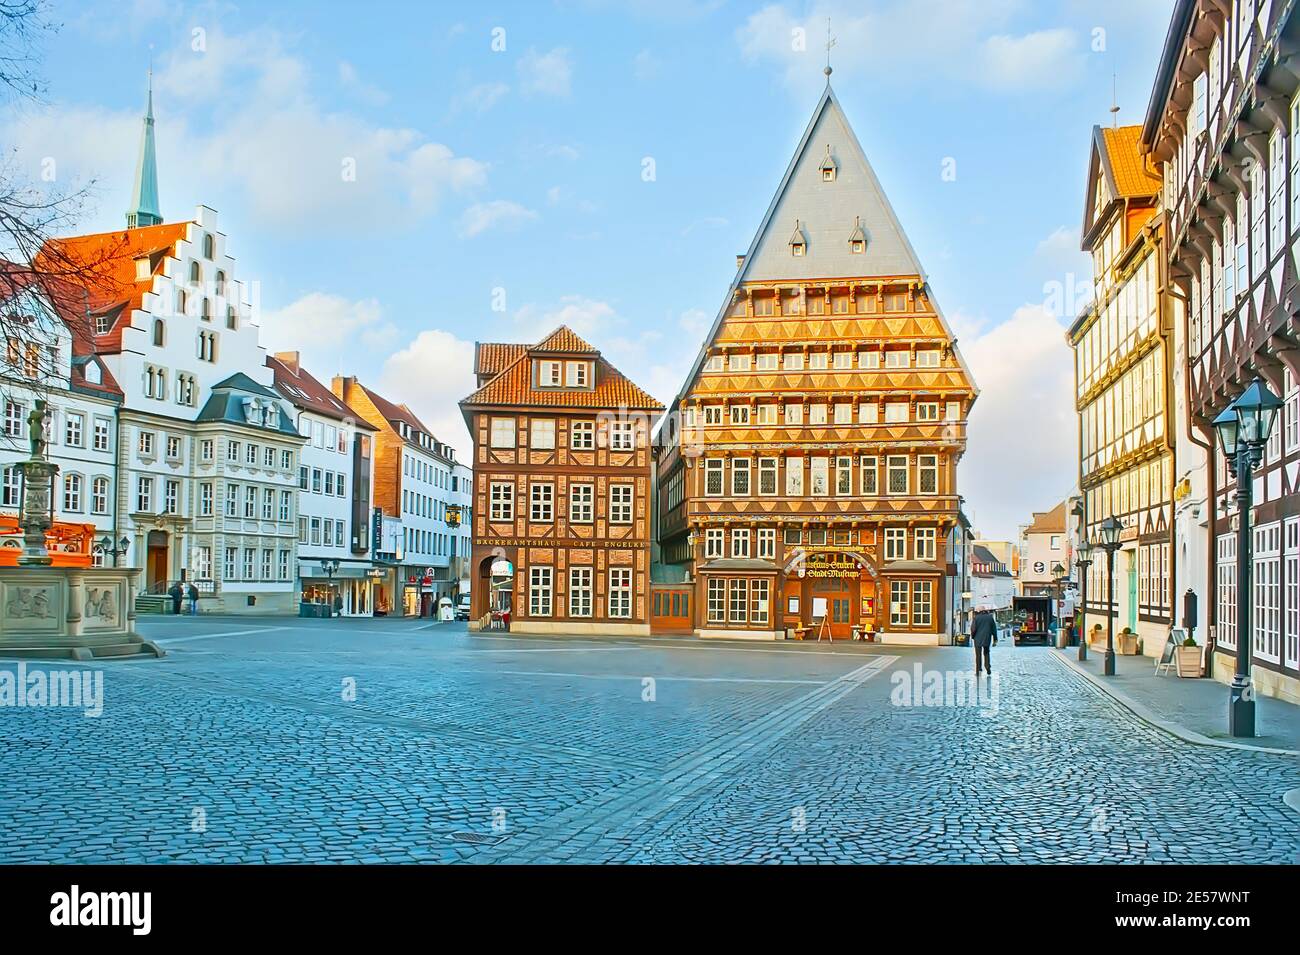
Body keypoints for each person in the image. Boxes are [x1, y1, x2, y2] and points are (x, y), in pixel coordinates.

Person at [971, 605, 996, 675]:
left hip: (977, 639)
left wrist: (973, 636)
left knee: (978, 655)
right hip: (987, 638)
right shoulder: (990, 617)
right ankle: (987, 666)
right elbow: (994, 629)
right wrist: (995, 639)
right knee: (986, 652)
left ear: (978, 611)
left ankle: (978, 670)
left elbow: (973, 629)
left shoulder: (976, 618)